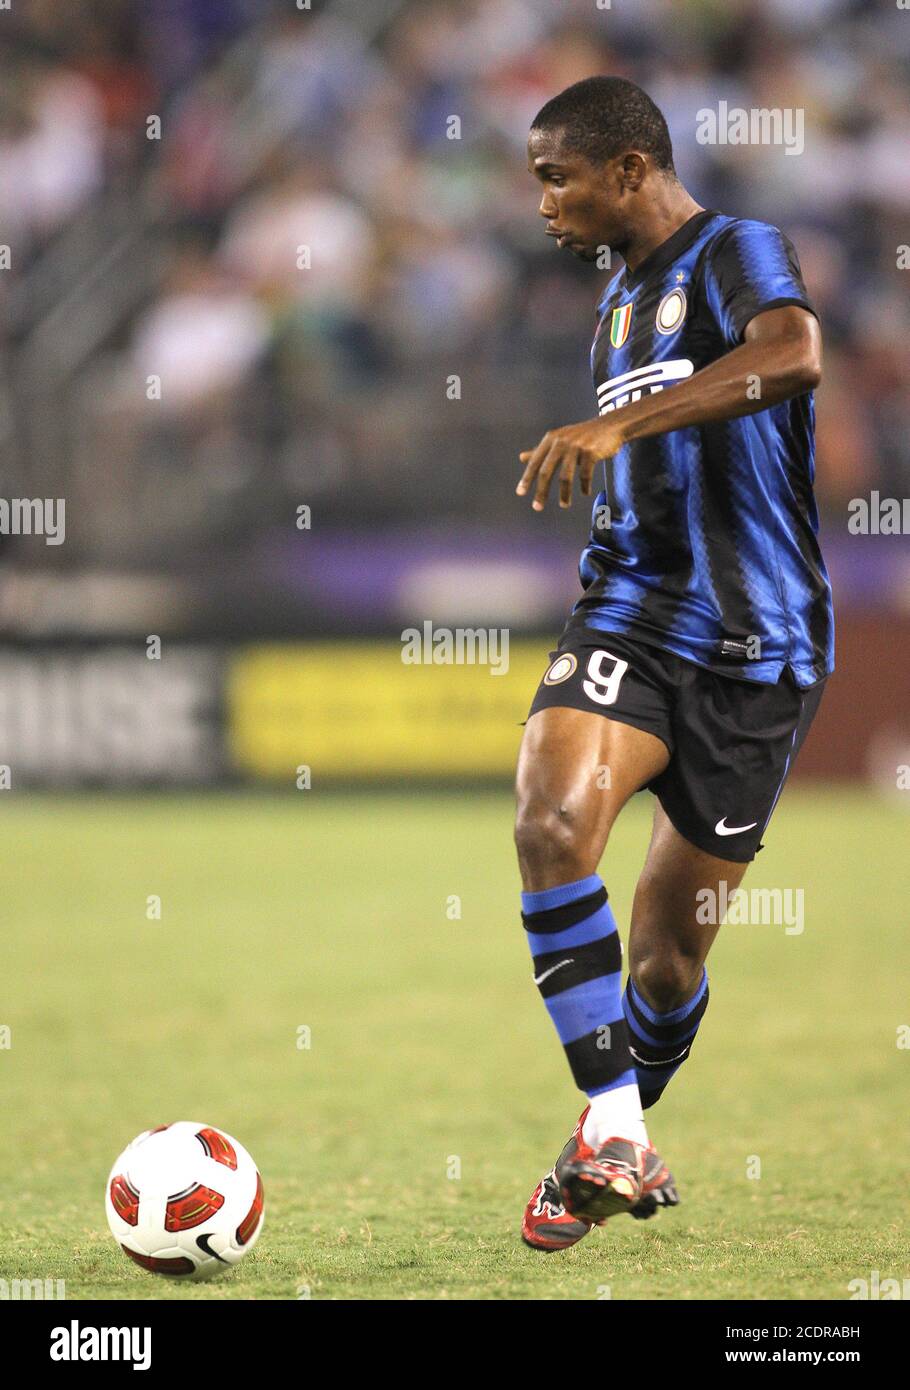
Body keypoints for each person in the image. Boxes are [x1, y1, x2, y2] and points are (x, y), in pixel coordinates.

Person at [514, 76, 833, 1251]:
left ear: (630, 170)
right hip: (631, 618)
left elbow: (794, 355)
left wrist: (616, 426)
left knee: (664, 961)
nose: (543, 202)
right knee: (552, 826)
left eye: (558, 175)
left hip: (760, 647)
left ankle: (613, 1119)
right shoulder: (611, 302)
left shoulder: (734, 246)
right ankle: (610, 1127)